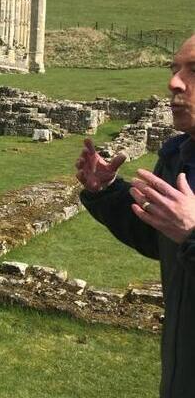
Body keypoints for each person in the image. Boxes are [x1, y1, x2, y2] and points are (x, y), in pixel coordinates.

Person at [76, 34, 195, 398]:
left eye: (193, 71)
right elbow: (156, 238)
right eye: (174, 69)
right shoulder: (179, 157)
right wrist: (106, 190)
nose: (174, 82)